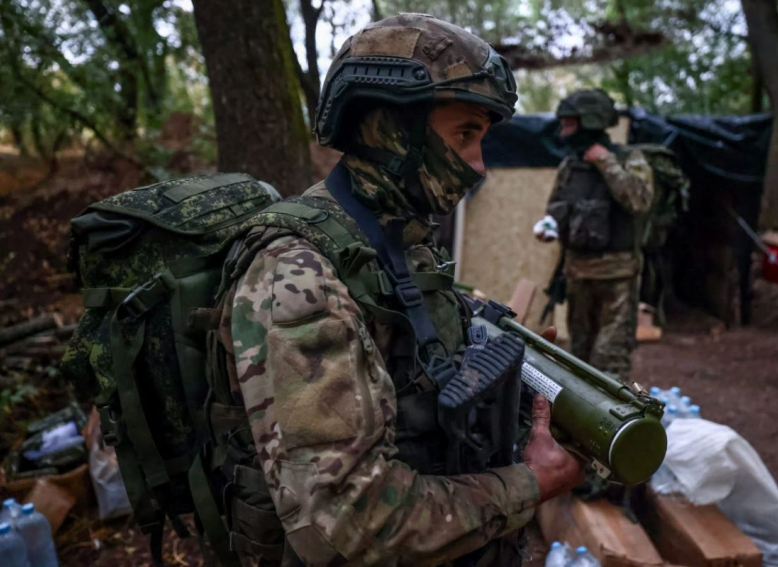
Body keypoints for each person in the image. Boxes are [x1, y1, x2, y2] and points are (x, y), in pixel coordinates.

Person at [211, 14, 583, 567]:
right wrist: (530, 484)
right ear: (390, 128)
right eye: (464, 134)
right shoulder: (297, 277)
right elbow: (351, 522)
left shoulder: (393, 241)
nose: (479, 166)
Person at [533, 89, 653, 382]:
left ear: (590, 122)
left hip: (617, 279)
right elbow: (556, 209)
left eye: (569, 124)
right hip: (578, 276)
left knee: (609, 365)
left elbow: (639, 201)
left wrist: (606, 162)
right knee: (578, 359)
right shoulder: (570, 165)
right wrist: (549, 227)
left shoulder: (628, 158)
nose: (563, 132)